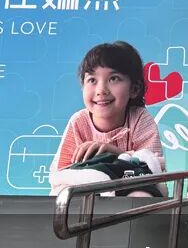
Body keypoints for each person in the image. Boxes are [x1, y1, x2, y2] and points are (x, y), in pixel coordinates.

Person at [51, 41, 164, 196]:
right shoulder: (79, 121)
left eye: (114, 78)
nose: (101, 90)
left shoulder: (140, 119)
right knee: (60, 192)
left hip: (130, 183)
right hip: (89, 187)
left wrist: (114, 154)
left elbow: (154, 165)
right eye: (92, 80)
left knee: (143, 194)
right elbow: (61, 172)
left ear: (134, 89)